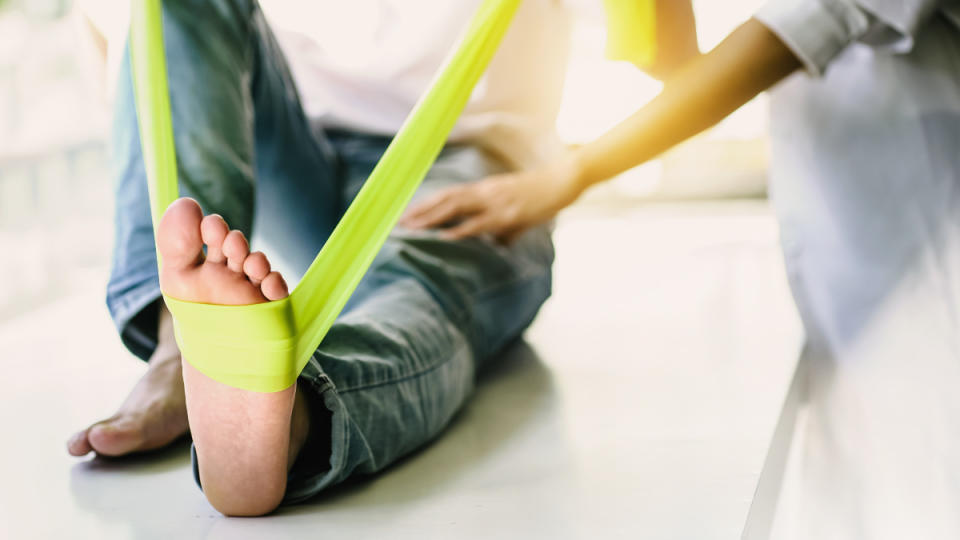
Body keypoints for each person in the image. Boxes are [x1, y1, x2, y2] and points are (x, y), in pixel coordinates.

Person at [404, 0, 960, 537]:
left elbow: (792, 31)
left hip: (929, 245)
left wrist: (570, 173)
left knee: (927, 483)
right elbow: (680, 64)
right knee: (870, 488)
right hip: (856, 257)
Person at [67, 0, 569, 516]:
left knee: (417, 281)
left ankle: (298, 410)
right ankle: (183, 344)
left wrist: (563, 178)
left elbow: (663, 76)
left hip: (466, 160)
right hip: (315, 160)